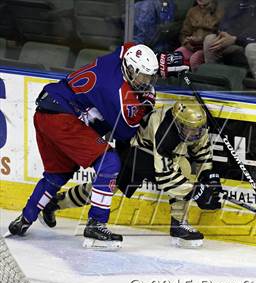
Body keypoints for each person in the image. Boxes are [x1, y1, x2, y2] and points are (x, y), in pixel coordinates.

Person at [8, 42, 159, 250]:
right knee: (110, 162)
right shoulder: (116, 93)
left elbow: (128, 46)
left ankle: (24, 219)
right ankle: (96, 223)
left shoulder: (118, 57)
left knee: (57, 174)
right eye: (143, 76)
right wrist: (146, 103)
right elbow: (124, 133)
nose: (146, 81)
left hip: (46, 112)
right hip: (64, 117)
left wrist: (163, 63)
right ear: (130, 69)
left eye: (150, 76)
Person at [40, 101, 222, 248]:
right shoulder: (165, 129)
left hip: (149, 150)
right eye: (188, 129)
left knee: (181, 167)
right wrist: (197, 192)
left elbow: (203, 154)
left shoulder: (196, 127)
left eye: (197, 130)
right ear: (177, 122)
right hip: (135, 149)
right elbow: (165, 176)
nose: (193, 134)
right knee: (109, 186)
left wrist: (209, 178)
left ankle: (178, 224)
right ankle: (57, 203)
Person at [203, 0, 256, 67]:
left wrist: (236, 39)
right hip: (236, 40)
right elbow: (226, 22)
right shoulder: (240, 2)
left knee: (251, 48)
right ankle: (217, 80)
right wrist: (224, 34)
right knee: (210, 40)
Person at [175, 0, 224, 71]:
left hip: (207, 49)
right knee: (175, 56)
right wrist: (187, 43)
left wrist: (201, 40)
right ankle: (177, 80)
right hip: (191, 46)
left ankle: (197, 80)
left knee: (195, 59)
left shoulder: (220, 12)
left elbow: (220, 35)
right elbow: (184, 33)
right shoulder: (192, 11)